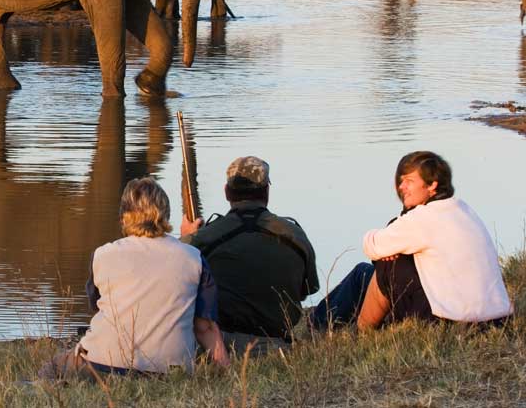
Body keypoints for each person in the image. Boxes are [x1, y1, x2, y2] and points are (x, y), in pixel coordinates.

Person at [40, 177, 229, 379]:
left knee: (52, 368)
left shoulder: (104, 254)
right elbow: (204, 327)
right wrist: (227, 372)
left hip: (102, 362)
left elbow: (97, 304)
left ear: (124, 215)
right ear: (165, 213)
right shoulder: (193, 257)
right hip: (171, 372)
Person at [312, 151, 512, 330]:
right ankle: (325, 323)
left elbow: (372, 246)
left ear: (432, 184)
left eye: (409, 181)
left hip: (455, 321)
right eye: (400, 180)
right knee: (369, 270)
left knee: (382, 267)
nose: (401, 187)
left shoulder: (423, 218)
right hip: (497, 319)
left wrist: (390, 243)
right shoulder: (462, 209)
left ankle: (348, 330)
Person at [180, 156, 318, 354]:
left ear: (227, 192)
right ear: (267, 192)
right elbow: (306, 290)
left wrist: (187, 239)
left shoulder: (202, 240)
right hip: (277, 346)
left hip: (217, 345)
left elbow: (173, 281)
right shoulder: (295, 235)